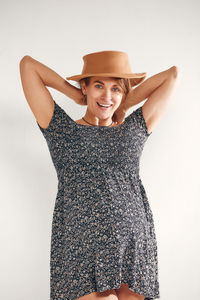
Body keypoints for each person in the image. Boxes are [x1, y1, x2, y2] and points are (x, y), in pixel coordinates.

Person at [19, 50, 179, 300]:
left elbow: (172, 76)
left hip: (133, 246)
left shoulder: (133, 128)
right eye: (98, 86)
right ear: (85, 86)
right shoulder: (62, 130)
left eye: (116, 88)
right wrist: (76, 95)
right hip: (81, 249)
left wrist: (122, 102)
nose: (106, 95)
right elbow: (28, 66)